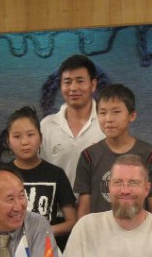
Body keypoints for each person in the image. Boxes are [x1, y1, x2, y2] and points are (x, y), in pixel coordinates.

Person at [74, 84, 152, 218]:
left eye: (116, 112)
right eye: (103, 112)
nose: (109, 119)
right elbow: (84, 205)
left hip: (138, 233)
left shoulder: (150, 155)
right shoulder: (88, 156)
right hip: (100, 234)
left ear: (132, 115)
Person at [0, 106, 77, 250]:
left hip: (46, 250)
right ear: (8, 142)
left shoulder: (56, 174)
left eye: (30, 135)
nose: (24, 142)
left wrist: (44, 232)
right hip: (8, 249)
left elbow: (71, 221)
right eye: (17, 136)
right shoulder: (1, 175)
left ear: (41, 138)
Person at [40, 54, 105, 188]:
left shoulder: (106, 123)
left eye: (80, 81)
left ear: (93, 85)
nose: (73, 88)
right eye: (67, 82)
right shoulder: (46, 126)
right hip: (56, 207)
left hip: (97, 207)